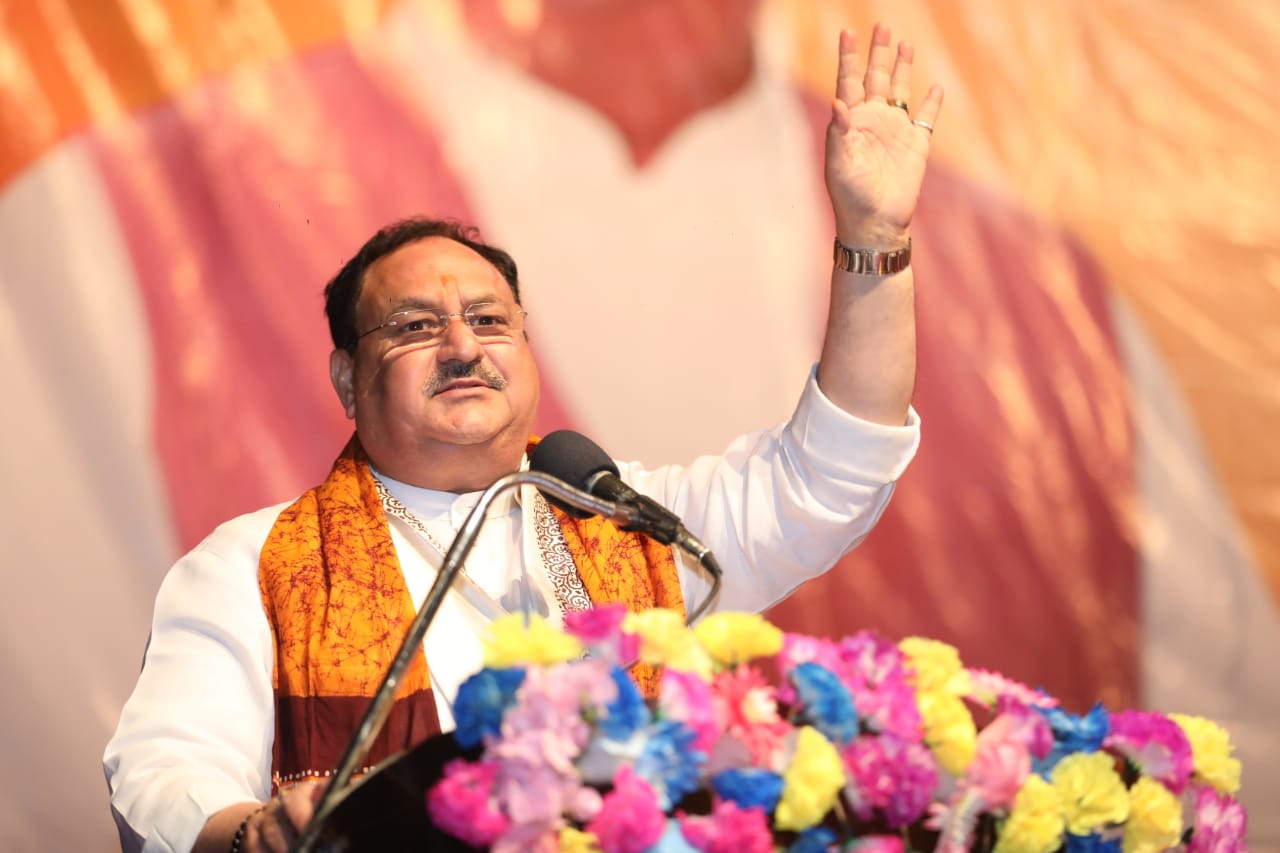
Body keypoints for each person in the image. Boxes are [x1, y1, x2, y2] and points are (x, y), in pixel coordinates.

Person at [103, 24, 941, 853]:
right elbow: (162, 775)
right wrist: (255, 834)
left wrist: (874, 236)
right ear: (349, 381)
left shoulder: (636, 527)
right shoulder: (252, 565)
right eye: (414, 326)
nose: (464, 346)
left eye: (488, 320)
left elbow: (834, 469)